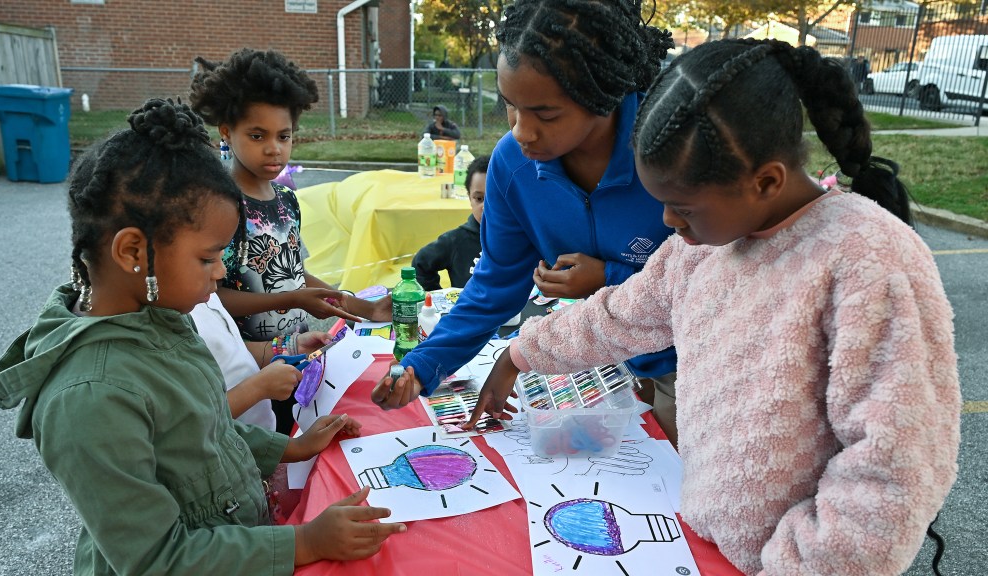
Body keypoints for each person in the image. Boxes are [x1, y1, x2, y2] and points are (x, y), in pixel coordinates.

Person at [468, 39, 960, 575]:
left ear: (765, 180)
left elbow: (893, 466)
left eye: (682, 207)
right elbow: (619, 316)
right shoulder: (697, 252)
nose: (667, 225)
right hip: (711, 547)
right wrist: (520, 353)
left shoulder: (867, 260)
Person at [0, 99, 405, 574]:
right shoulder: (91, 399)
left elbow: (203, 432)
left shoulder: (160, 314)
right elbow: (156, 559)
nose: (221, 271)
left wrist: (289, 448)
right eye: (207, 259)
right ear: (133, 251)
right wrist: (302, 543)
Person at [372, 0, 680, 440]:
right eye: (510, 105)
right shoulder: (512, 165)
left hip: (689, 365)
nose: (520, 131)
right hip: (605, 366)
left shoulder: (672, 147)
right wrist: (422, 365)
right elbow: (494, 285)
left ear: (604, 94)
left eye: (545, 114)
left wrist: (609, 276)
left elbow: (710, 280)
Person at [189, 48, 391, 434]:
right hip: (246, 368)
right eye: (257, 135)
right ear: (227, 132)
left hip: (296, 353)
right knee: (264, 445)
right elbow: (210, 295)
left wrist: (363, 308)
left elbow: (297, 275)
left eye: (284, 136)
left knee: (296, 441)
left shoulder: (285, 200)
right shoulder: (220, 205)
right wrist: (290, 299)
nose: (274, 148)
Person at [190, 294, 333, 429]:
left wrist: (293, 346)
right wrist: (258, 388)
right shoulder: (177, 317)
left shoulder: (205, 294)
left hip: (262, 437)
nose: (222, 271)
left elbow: (231, 352)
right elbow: (192, 426)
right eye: (205, 265)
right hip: (226, 450)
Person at [411, 154, 489, 291]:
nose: (485, 206)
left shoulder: (522, 237)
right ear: (469, 198)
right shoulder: (457, 240)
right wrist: (439, 298)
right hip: (468, 312)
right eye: (479, 198)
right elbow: (420, 264)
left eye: (494, 198)